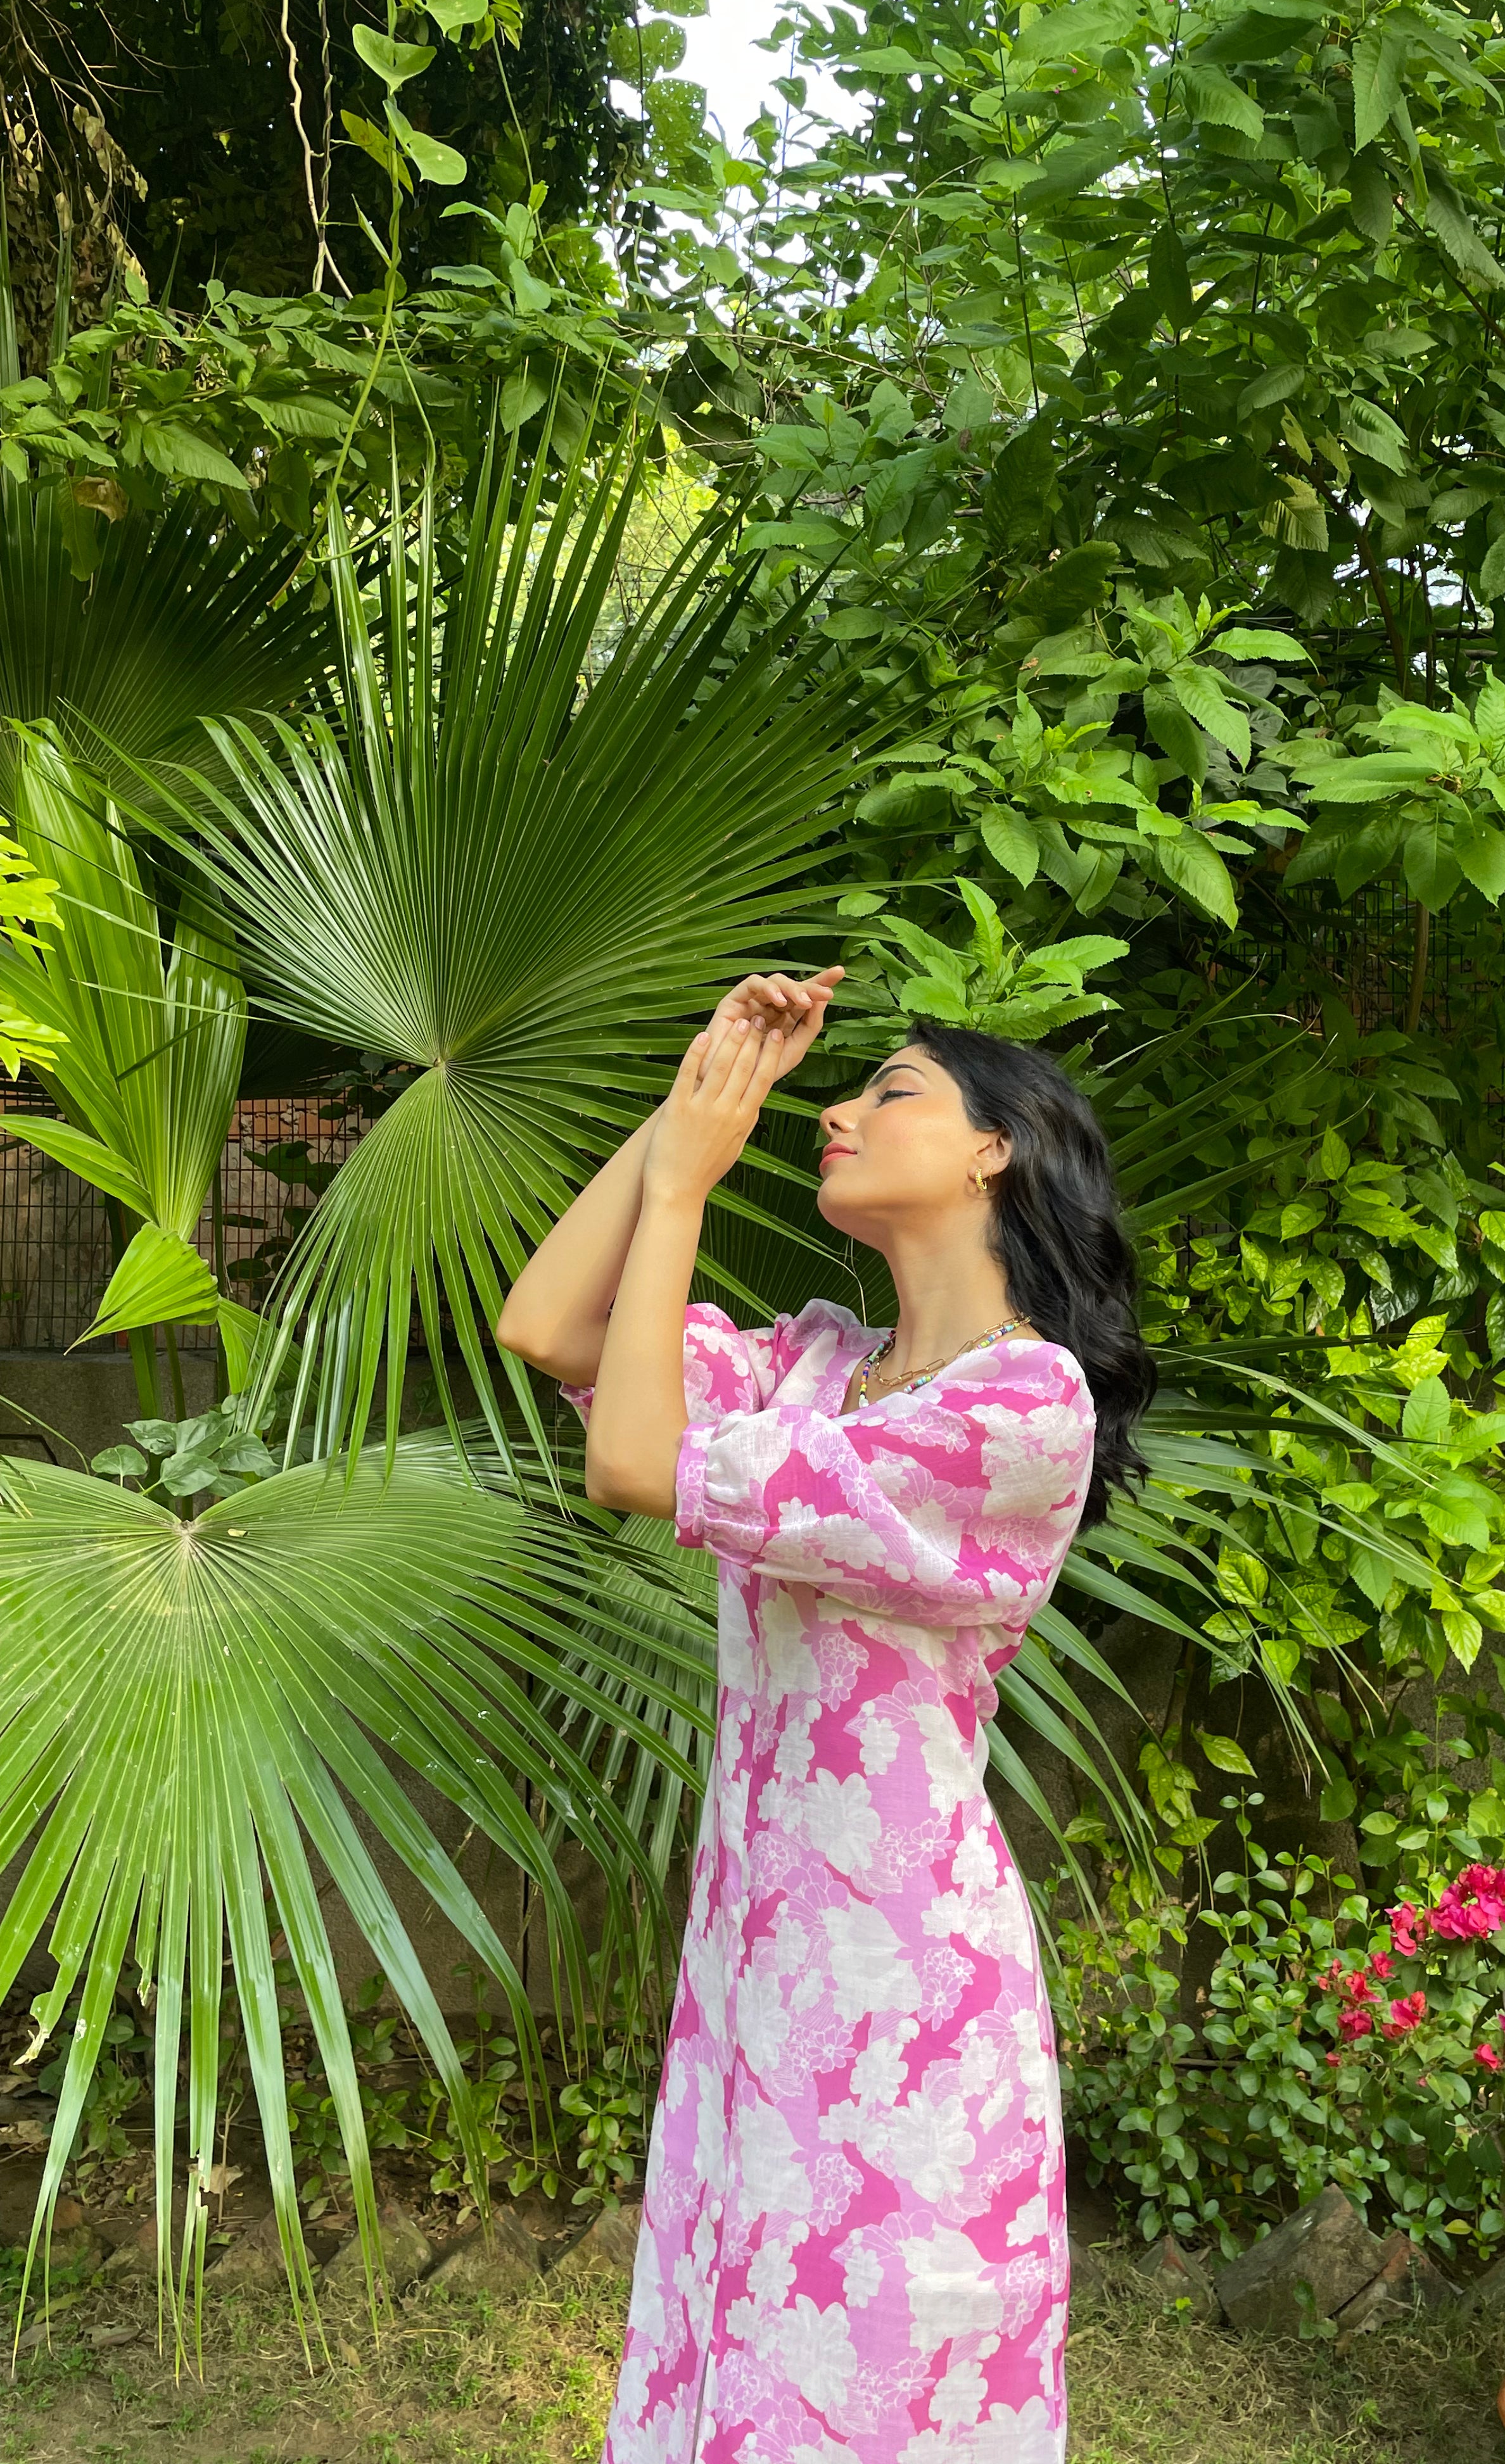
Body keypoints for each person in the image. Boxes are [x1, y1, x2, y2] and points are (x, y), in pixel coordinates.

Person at [497, 966, 1155, 2464]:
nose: (841, 1112)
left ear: (1001, 1147)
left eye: (894, 1091)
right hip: (755, 1978)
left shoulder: (1018, 1414)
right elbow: (546, 1328)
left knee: (873, 2393)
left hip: (899, 1993)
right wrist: (686, 1109)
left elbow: (636, 1467)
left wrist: (687, 1191)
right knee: (734, 2365)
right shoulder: (815, 1371)